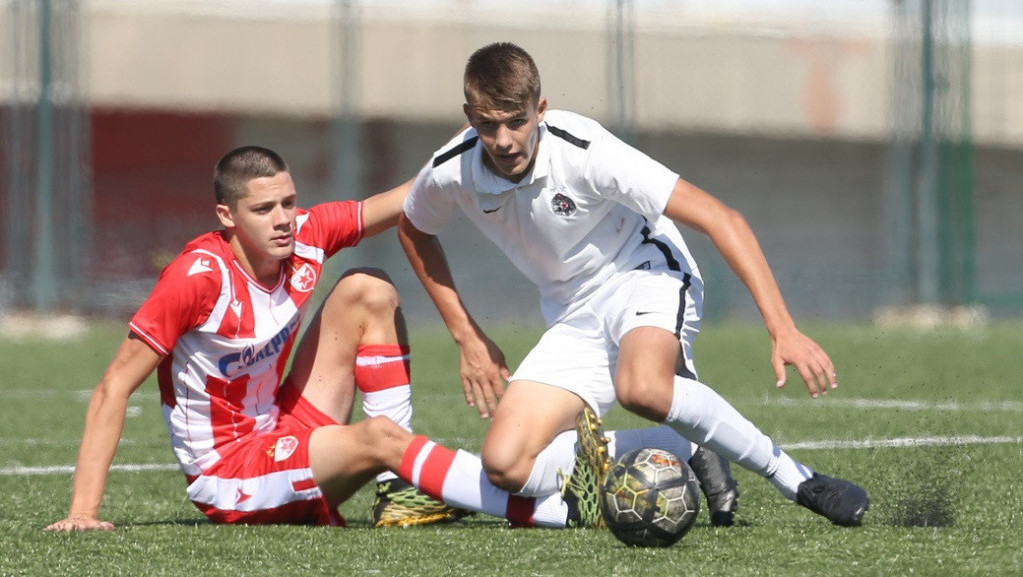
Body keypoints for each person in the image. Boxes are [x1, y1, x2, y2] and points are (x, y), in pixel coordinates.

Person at [43, 145, 686, 532]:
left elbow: (412, 196)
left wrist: (487, 148)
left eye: (289, 203)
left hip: (284, 427)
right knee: (382, 439)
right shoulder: (196, 278)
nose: (284, 220)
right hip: (229, 474)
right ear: (226, 217)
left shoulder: (305, 238)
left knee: (366, 289)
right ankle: (554, 512)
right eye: (264, 210)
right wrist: (83, 509)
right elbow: (111, 389)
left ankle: (396, 493)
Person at [397, 42, 870, 528]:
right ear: (468, 117)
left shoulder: (585, 150)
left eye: (516, 121)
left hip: (645, 273)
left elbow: (721, 218)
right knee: (505, 464)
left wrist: (782, 329)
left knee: (641, 389)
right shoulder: (449, 169)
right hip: (571, 313)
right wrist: (466, 335)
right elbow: (413, 229)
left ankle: (795, 477)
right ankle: (685, 444)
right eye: (487, 124)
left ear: (540, 109)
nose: (503, 140)